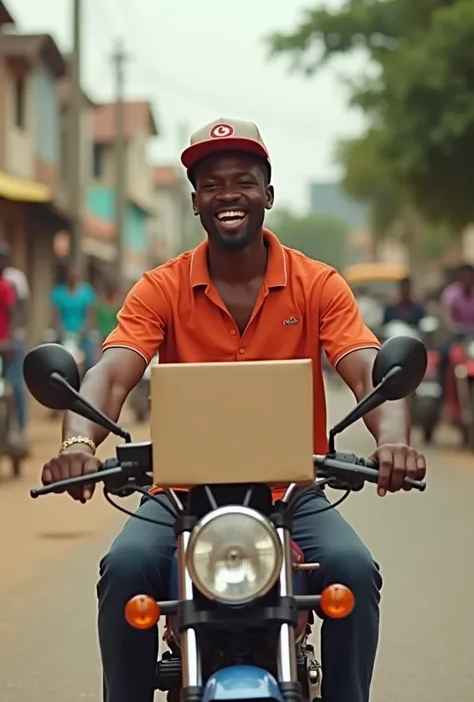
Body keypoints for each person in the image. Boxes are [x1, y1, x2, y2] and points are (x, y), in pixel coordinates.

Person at [40, 118, 426, 702]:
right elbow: (111, 372)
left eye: (243, 181)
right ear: (195, 200)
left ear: (267, 194)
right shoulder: (160, 288)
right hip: (179, 496)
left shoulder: (317, 284)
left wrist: (391, 440)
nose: (228, 195)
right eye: (212, 183)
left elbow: (372, 370)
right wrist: (76, 446)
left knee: (354, 570)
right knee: (123, 571)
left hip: (292, 493)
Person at [0, 244, 30, 447]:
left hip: (8, 341)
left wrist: (10, 338)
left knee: (15, 386)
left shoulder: (10, 282)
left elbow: (15, 313)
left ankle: (19, 432)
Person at [49, 264, 97, 370]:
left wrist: (84, 328)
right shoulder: (58, 292)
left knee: (90, 360)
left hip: (82, 333)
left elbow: (90, 315)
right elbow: (56, 315)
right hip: (64, 333)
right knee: (51, 357)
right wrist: (60, 328)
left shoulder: (86, 292)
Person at [437, 263, 474, 393]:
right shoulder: (451, 293)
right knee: (443, 355)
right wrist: (452, 328)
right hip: (457, 338)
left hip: (472, 340)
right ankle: (442, 394)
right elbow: (448, 316)